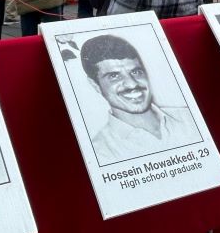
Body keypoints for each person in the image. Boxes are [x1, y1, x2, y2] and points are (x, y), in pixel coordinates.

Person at [80, 34, 199, 163]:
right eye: (114, 76)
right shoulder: (100, 152)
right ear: (95, 85)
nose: (132, 84)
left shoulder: (191, 118)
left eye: (136, 72)